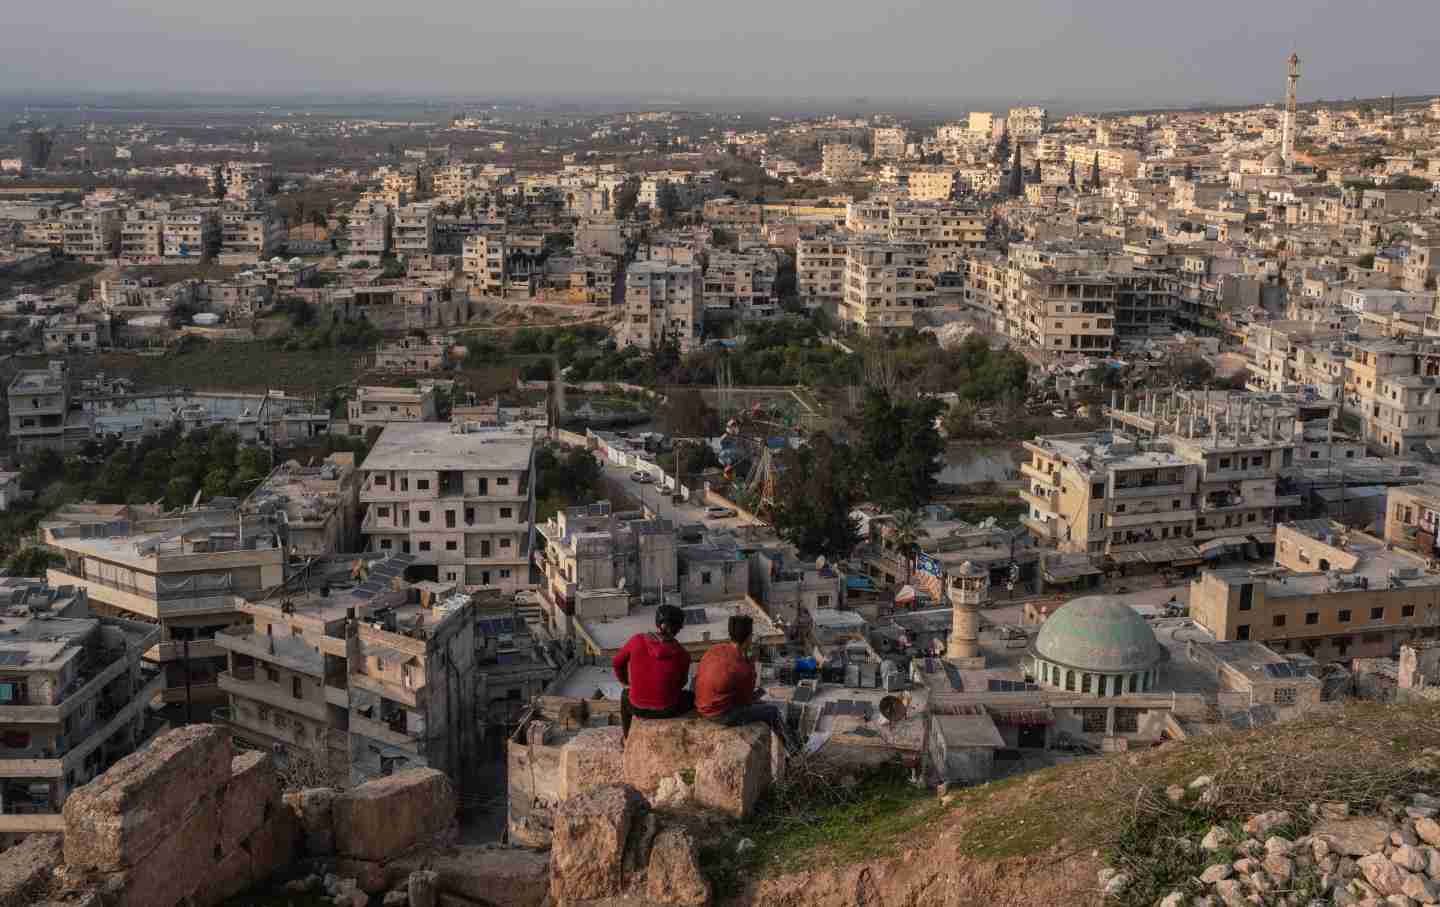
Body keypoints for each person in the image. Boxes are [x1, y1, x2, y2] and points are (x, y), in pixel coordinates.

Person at [695, 615, 798, 752]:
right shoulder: (742, 667)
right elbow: (746, 702)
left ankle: (793, 744)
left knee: (762, 705)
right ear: (749, 637)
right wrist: (751, 664)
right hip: (720, 714)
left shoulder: (714, 649)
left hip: (702, 706)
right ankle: (794, 749)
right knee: (772, 711)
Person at [613, 604, 694, 738]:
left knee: (624, 695)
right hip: (667, 710)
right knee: (691, 697)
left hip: (636, 708)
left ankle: (627, 737)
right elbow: (682, 683)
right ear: (678, 628)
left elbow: (617, 663)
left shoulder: (637, 640)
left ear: (657, 622)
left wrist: (626, 682)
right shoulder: (683, 654)